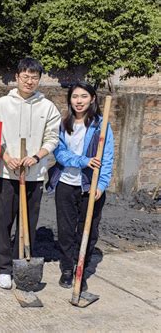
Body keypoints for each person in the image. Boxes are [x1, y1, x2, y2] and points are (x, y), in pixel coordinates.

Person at [0, 57, 61, 289]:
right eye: (25, 76)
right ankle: (5, 269)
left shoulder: (47, 107)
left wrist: (36, 157)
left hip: (34, 173)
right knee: (5, 221)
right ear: (17, 77)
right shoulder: (1, 105)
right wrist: (7, 157)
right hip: (7, 173)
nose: (29, 81)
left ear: (40, 79)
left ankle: (23, 262)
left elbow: (52, 138)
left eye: (34, 77)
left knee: (28, 222)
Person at [47, 81, 114, 291]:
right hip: (66, 184)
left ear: (92, 99)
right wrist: (83, 160)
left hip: (90, 186)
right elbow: (59, 153)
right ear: (70, 100)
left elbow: (107, 157)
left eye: (84, 96)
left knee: (88, 231)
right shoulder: (62, 124)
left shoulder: (101, 126)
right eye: (75, 97)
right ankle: (67, 269)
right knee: (66, 230)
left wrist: (101, 185)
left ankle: (81, 270)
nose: (79, 101)